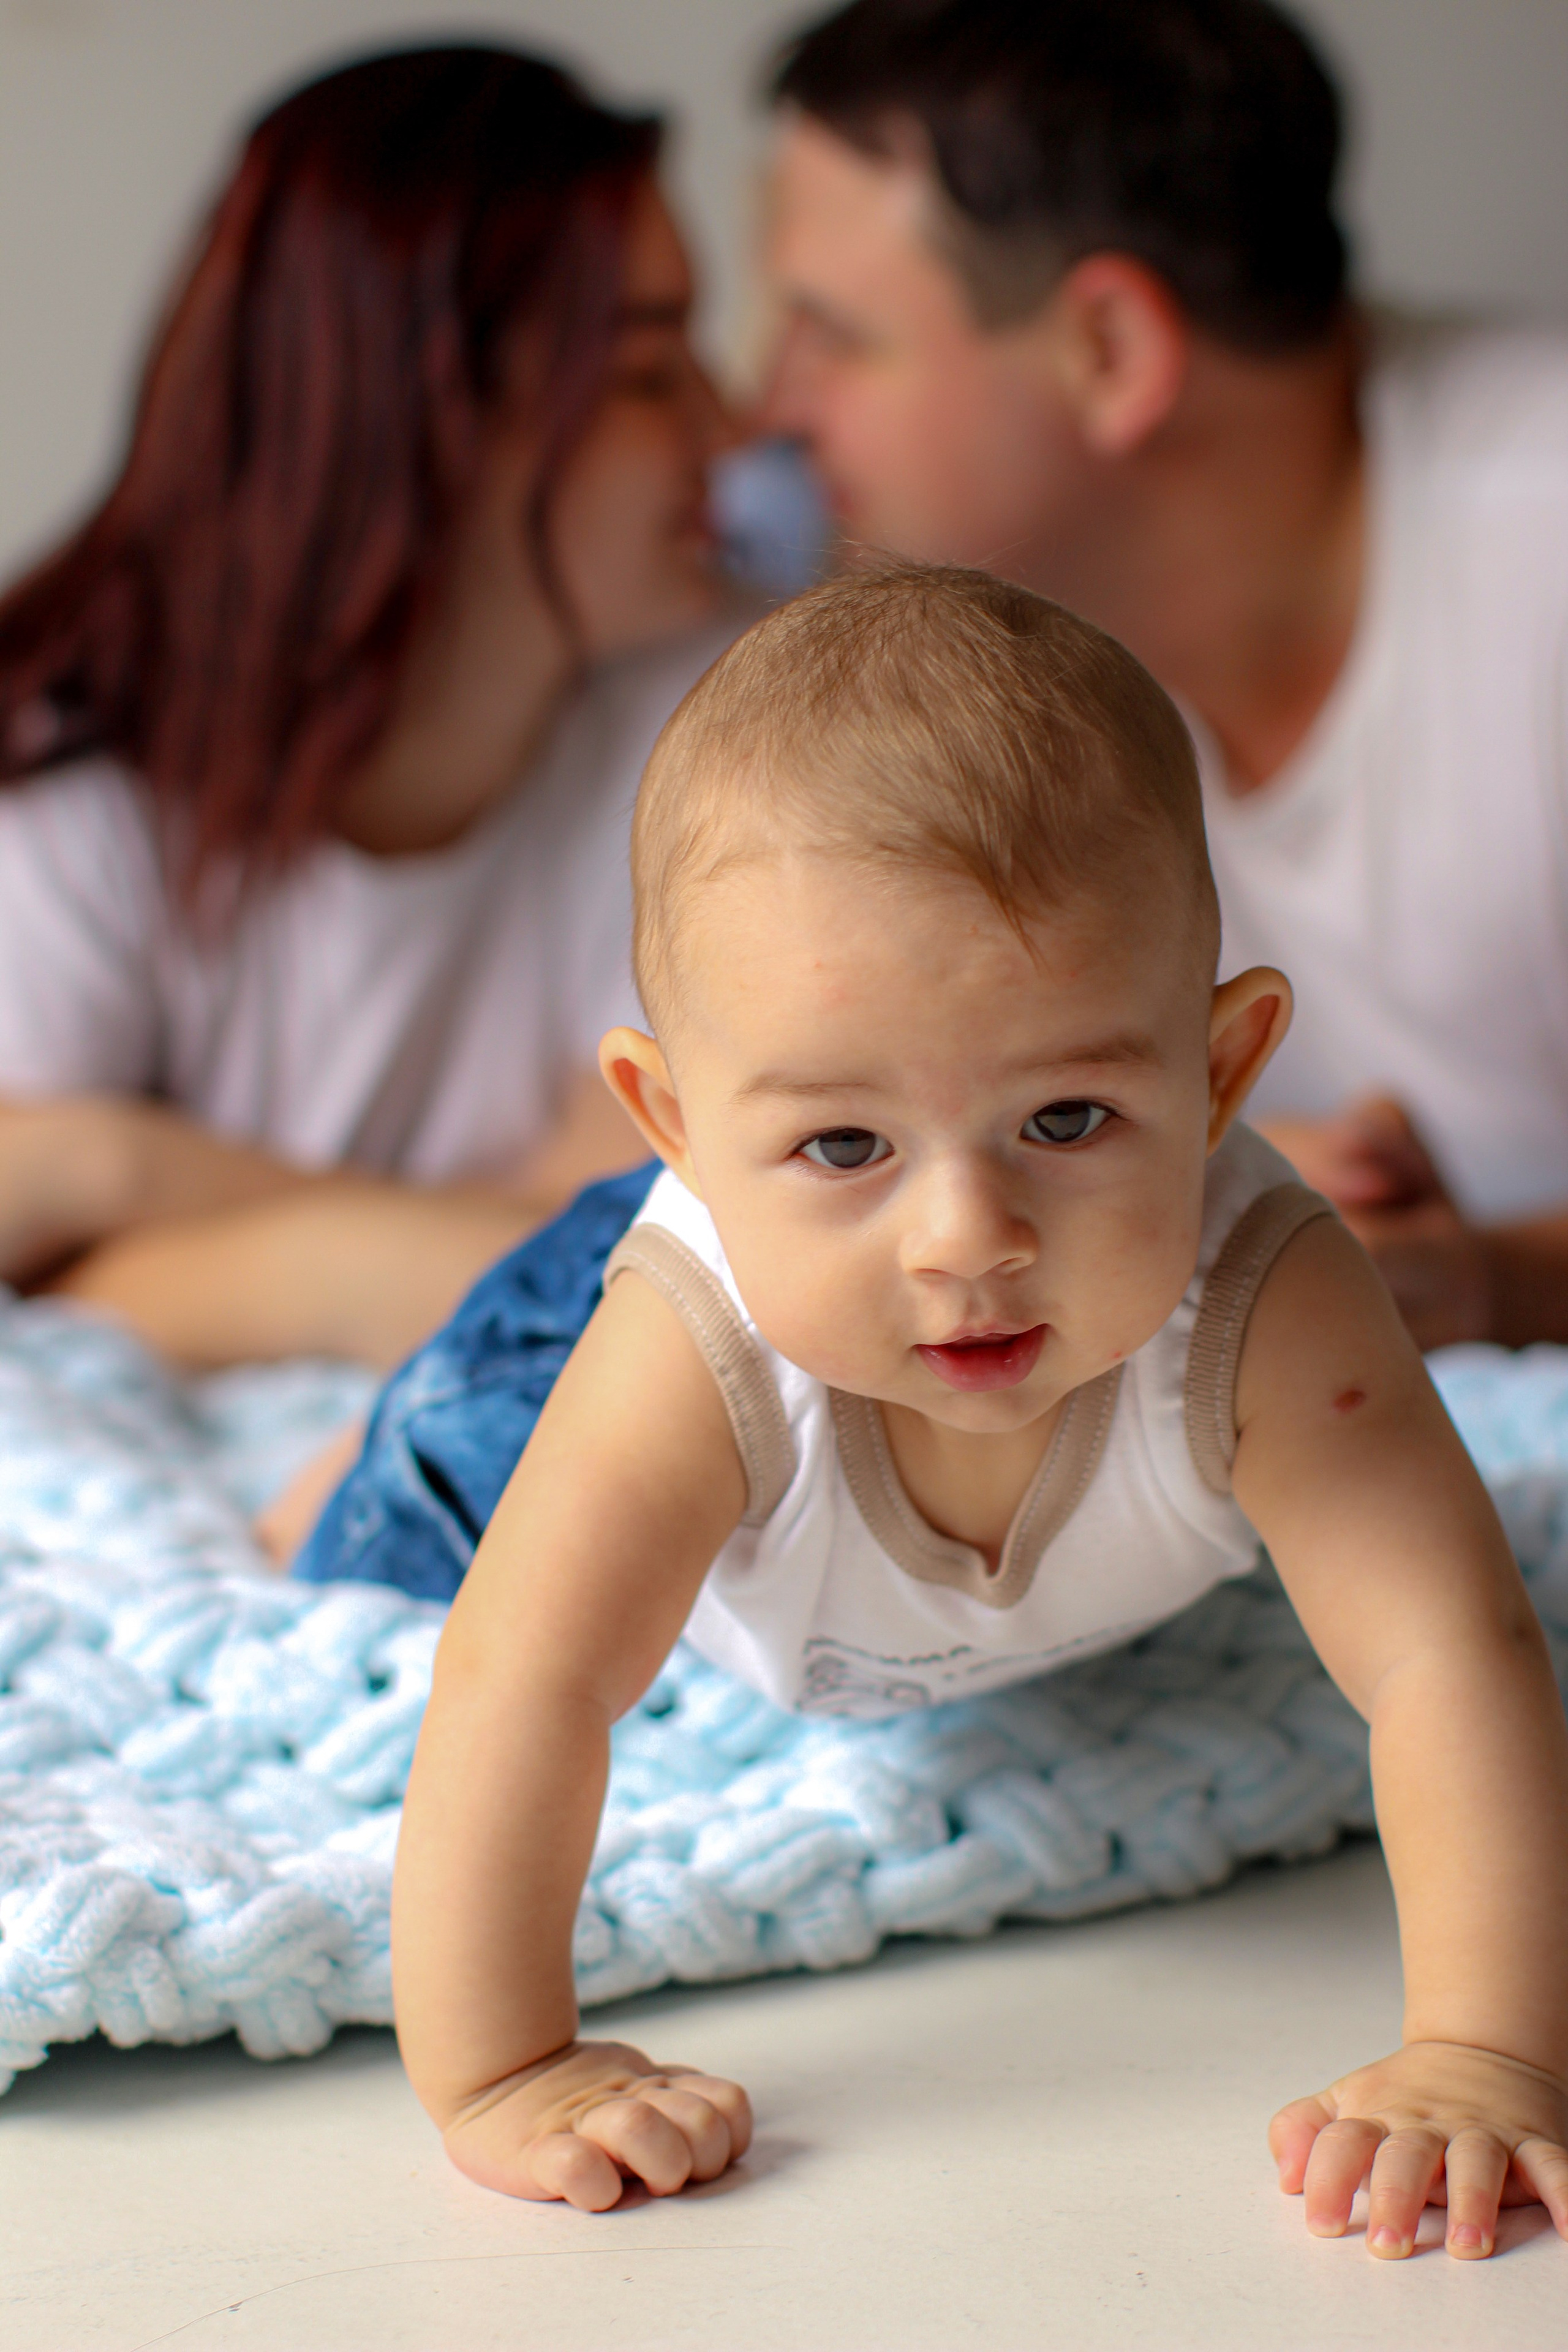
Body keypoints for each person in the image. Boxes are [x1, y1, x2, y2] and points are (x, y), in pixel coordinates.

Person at [316, 566, 1568, 2254]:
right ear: (671, 1121)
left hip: (805, 1318)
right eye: (847, 1144)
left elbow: (1450, 1656)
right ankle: (288, 1387)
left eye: (1067, 1119)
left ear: (1222, 1073)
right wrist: (505, 2070)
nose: (968, 1240)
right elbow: (521, 1680)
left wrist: (1485, 2052)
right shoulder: (691, 1351)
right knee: (385, 1536)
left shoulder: (1268, 1301)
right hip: (556, 1363)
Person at [758, 0, 1568, 1351]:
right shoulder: (1001, 667)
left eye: (831, 336)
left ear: (1111, 353)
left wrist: (1495, 1280)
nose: (767, 409)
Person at [0, 44, 744, 1374]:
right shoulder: (75, 797)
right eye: (646, 373)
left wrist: (112, 1173)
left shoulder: (714, 726)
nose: (728, 425)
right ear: (436, 420)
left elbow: (636, 1252)